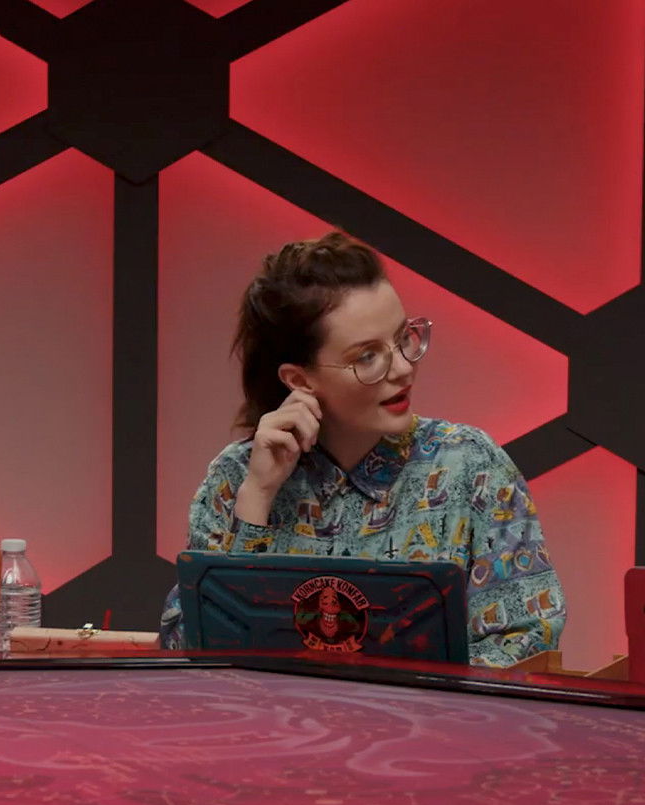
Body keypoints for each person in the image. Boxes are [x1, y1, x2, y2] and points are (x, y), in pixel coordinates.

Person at [160, 232, 564, 666]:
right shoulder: (238, 477)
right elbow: (186, 651)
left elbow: (527, 641)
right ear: (299, 380)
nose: (403, 368)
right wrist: (257, 498)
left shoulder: (470, 465)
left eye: (402, 338)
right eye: (367, 356)